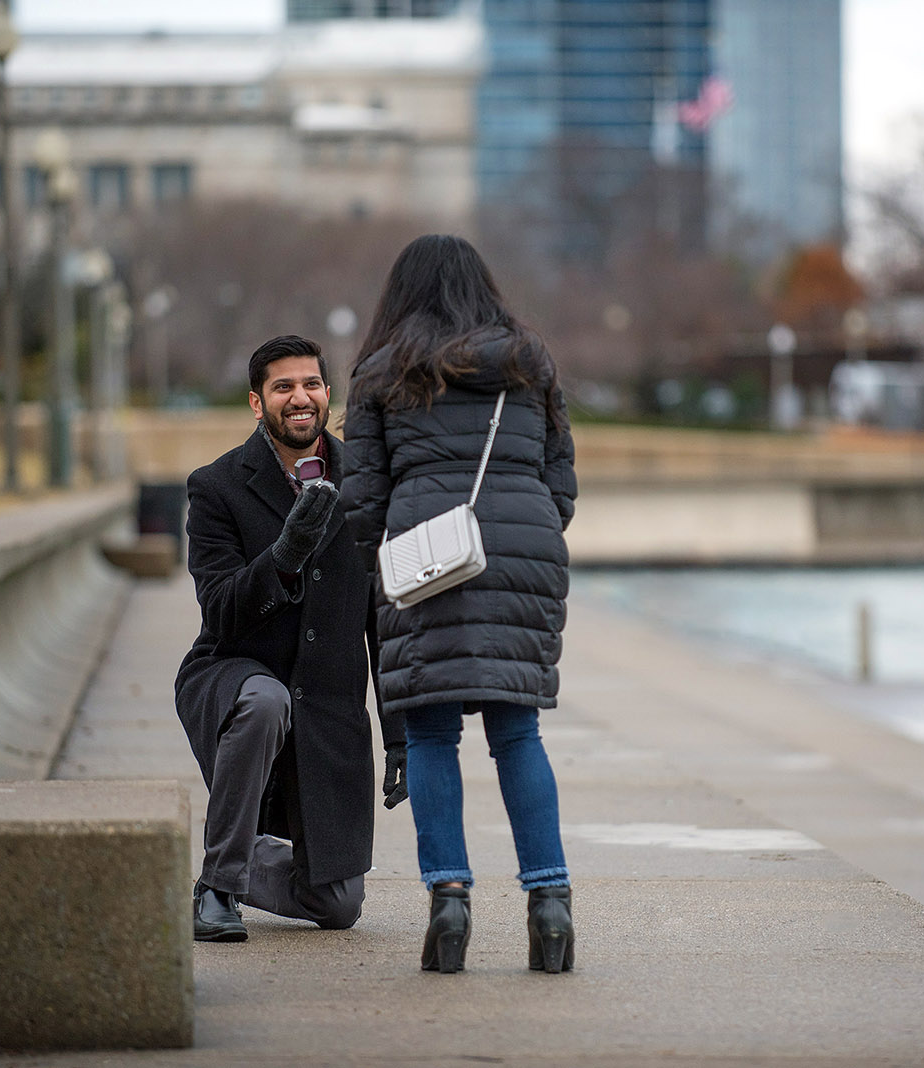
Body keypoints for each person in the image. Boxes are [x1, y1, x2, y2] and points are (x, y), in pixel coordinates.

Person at [341, 234, 578, 974]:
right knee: (518, 733)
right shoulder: (529, 363)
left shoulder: (383, 371)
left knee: (432, 736)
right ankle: (551, 909)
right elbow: (561, 480)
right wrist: (521, 529)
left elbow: (363, 503)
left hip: (426, 558)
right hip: (524, 550)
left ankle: (449, 902)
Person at [174, 334, 407, 942]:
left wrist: (401, 734)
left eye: (310, 384)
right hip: (234, 674)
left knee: (336, 906)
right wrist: (284, 556)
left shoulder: (368, 483)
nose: (299, 398)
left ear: (328, 394)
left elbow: (385, 622)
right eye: (283, 387)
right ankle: (218, 888)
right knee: (264, 700)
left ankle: (227, 860)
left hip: (328, 704)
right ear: (257, 403)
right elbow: (221, 613)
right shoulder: (216, 486)